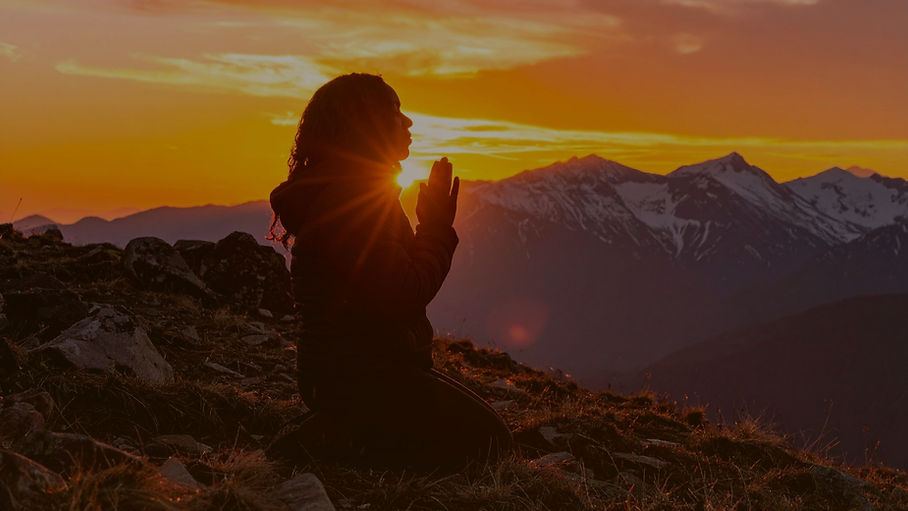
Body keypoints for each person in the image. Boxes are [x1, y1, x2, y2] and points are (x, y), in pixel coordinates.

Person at [268, 73, 512, 470]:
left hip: (359, 371)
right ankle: (331, 442)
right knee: (490, 446)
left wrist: (429, 226)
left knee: (488, 434)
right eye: (394, 110)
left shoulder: (357, 192)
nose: (408, 122)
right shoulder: (354, 201)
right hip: (356, 378)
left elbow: (391, 281)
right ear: (364, 125)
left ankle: (346, 429)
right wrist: (434, 229)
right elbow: (404, 293)